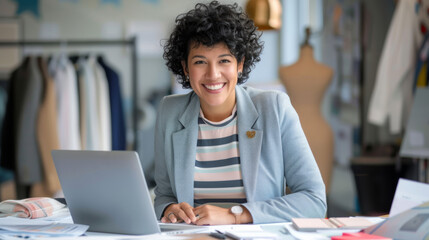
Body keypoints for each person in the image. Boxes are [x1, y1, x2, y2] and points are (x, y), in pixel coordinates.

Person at [154, 1, 326, 225]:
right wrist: (170, 209)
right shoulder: (170, 111)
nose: (213, 74)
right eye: (200, 62)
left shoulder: (274, 108)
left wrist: (234, 215)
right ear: (186, 68)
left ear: (240, 64)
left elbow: (314, 200)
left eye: (224, 61)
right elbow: (164, 195)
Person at [278, 27, 334, 193]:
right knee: (292, 192)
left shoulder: (326, 71)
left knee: (320, 192)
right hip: (300, 131)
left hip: (314, 136)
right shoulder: (285, 70)